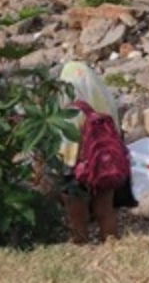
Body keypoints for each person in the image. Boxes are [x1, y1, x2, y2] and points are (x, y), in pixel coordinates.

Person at [59, 61, 124, 244]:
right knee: (106, 209)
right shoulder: (105, 99)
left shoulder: (71, 107)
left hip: (77, 166)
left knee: (77, 215)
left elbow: (67, 144)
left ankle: (82, 247)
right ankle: (111, 246)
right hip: (106, 161)